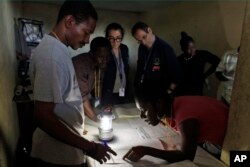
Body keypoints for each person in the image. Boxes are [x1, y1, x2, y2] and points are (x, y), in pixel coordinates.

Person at [30, 1, 116, 166]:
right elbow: (43, 116)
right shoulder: (52, 54)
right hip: (56, 156)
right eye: (86, 32)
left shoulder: (58, 50)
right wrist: (90, 147)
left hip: (65, 149)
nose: (88, 40)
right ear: (69, 22)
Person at [123, 90, 229, 163]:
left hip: (232, 148)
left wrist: (146, 150)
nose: (142, 116)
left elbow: (186, 156)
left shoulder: (186, 119)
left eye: (144, 110)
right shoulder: (173, 104)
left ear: (159, 104)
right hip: (215, 141)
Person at [132, 21, 182, 113]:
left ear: (149, 30)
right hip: (146, 93)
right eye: (139, 41)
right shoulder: (142, 48)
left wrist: (168, 92)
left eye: (144, 37)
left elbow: (176, 74)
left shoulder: (165, 49)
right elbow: (140, 70)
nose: (143, 42)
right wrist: (137, 92)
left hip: (161, 96)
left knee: (160, 123)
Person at [72, 37, 111, 122]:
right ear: (92, 53)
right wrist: (96, 119)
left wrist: (101, 106)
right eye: (101, 57)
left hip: (80, 106)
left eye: (107, 56)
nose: (105, 60)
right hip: (66, 107)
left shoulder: (99, 65)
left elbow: (96, 91)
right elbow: (82, 97)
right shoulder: (80, 65)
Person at [175, 32, 220, 96]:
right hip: (183, 92)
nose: (192, 50)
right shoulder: (178, 60)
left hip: (197, 91)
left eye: (193, 47)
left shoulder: (202, 54)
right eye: (189, 49)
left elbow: (218, 61)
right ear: (183, 49)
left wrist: (205, 75)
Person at [101, 23, 129, 108]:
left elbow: (125, 68)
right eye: (111, 38)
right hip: (108, 92)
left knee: (121, 114)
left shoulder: (124, 48)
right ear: (106, 38)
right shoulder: (103, 51)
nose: (115, 41)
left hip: (122, 90)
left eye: (118, 38)